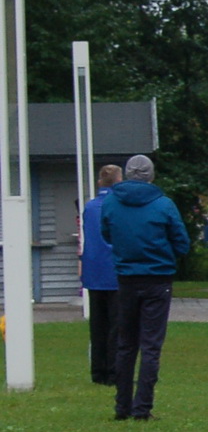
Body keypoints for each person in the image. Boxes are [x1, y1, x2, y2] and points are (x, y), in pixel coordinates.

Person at [101, 155, 189, 420]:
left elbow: (107, 234)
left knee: (125, 343)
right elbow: (181, 242)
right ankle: (143, 408)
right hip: (157, 279)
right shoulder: (163, 205)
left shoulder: (111, 202)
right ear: (151, 176)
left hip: (126, 278)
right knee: (151, 345)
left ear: (127, 174)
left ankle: (122, 406)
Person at [80, 164, 124, 385]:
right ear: (119, 181)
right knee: (116, 325)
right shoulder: (120, 206)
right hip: (115, 271)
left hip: (93, 271)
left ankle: (98, 371)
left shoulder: (90, 207)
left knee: (97, 325)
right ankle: (114, 371)